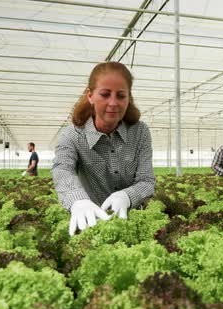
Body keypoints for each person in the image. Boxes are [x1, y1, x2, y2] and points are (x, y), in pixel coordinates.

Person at [51, 62, 155, 236]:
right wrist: (78, 201)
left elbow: (146, 181)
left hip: (132, 223)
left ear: (128, 98)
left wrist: (127, 196)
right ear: (90, 95)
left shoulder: (140, 132)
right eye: (105, 94)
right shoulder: (73, 135)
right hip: (89, 222)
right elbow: (62, 169)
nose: (113, 103)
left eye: (121, 96)